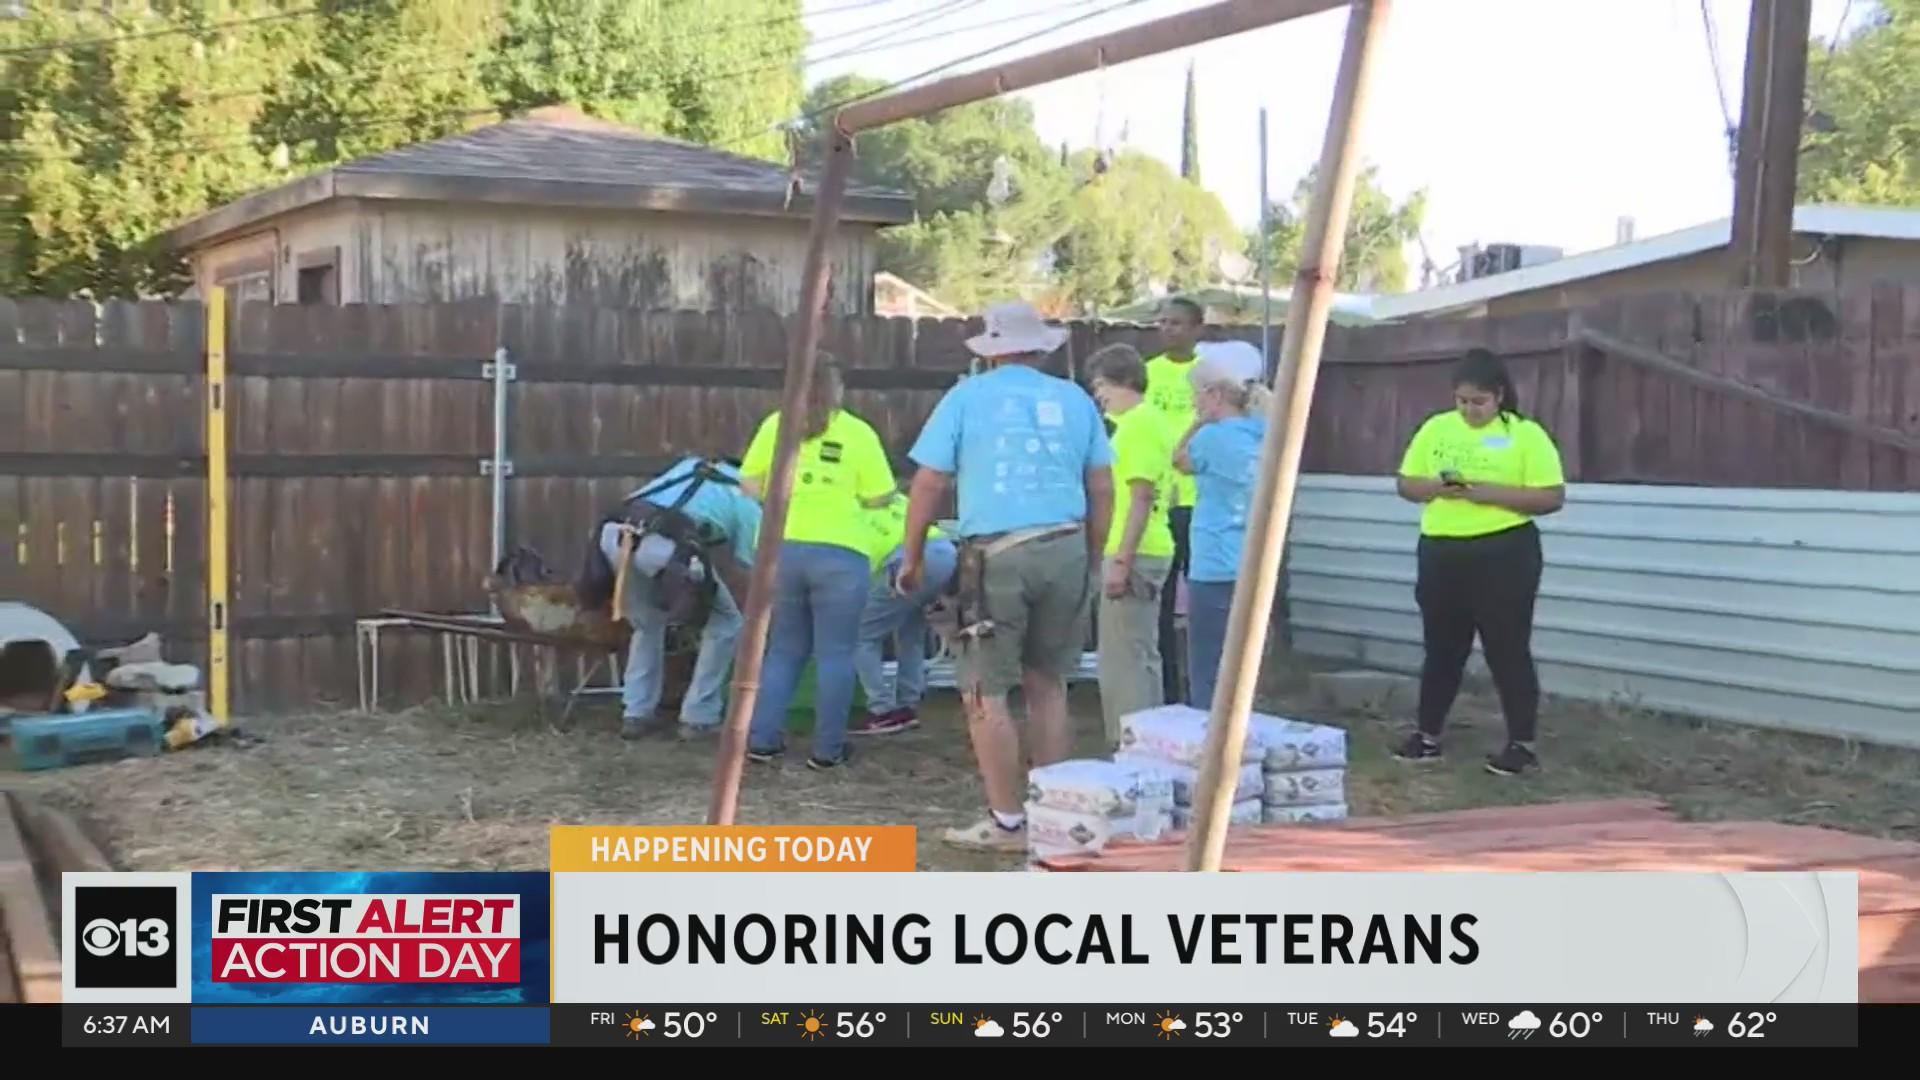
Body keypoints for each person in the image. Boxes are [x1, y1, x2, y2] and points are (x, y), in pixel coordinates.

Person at [898, 300, 1114, 852]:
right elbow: (1101, 485)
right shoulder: (1075, 400)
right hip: (1065, 544)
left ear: (991, 352)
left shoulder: (968, 397)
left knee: (983, 691)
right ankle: (1057, 818)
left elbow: (928, 482)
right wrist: (1092, 554)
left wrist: (913, 554)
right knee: (1049, 684)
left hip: (996, 553)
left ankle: (1008, 822)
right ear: (1041, 348)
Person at [1391, 348, 1566, 776]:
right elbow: (1406, 483)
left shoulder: (1525, 435)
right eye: (1462, 401)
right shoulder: (1436, 428)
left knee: (1506, 648)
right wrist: (1435, 487)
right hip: (1442, 549)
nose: (1470, 411)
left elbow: (1551, 496)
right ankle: (1428, 735)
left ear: (1500, 396)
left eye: (1479, 402)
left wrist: (1487, 493)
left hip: (1504, 551)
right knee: (1442, 647)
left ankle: (1521, 745)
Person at [739, 356, 897, 770]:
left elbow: (749, 484)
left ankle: (763, 740)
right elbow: (881, 495)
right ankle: (827, 750)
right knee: (836, 653)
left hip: (779, 549)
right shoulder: (858, 432)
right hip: (841, 553)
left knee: (784, 649)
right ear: (837, 389)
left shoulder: (776, 424)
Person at [596, 456, 760, 740]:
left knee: (648, 625)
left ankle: (636, 713)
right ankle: (699, 716)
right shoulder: (748, 494)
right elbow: (750, 563)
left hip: (616, 536)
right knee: (726, 623)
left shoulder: (691, 466)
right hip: (665, 548)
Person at [1172, 340, 1271, 713]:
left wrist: (1199, 422)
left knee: (1208, 660)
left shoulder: (1210, 438)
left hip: (1214, 562)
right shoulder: (1265, 432)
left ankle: (1208, 734)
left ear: (1214, 394)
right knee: (1247, 656)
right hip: (1256, 561)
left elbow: (1178, 460)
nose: (1194, 403)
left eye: (1197, 396)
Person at [1086, 343, 1176, 747]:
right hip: (1146, 546)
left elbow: (1141, 495)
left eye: (1102, 384)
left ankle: (1131, 745)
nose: (1098, 394)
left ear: (1125, 382)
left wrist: (1121, 559)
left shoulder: (1139, 425)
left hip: (1134, 550)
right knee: (1142, 654)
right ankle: (1154, 740)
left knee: (1124, 661)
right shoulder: (1147, 422)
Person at [849, 493, 960, 737]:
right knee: (911, 631)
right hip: (944, 552)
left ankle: (882, 711)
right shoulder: (894, 497)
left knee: (860, 636)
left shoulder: (846, 508)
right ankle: (908, 704)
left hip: (905, 560)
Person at [1146, 297, 1205, 703]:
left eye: (1178, 323)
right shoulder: (1147, 374)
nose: (1168, 330)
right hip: (1160, 502)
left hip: (1203, 501)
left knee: (1204, 599)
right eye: (1163, 322)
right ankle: (1167, 693)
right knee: (1161, 605)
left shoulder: (1211, 374)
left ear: (1197, 328)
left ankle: (1207, 689)